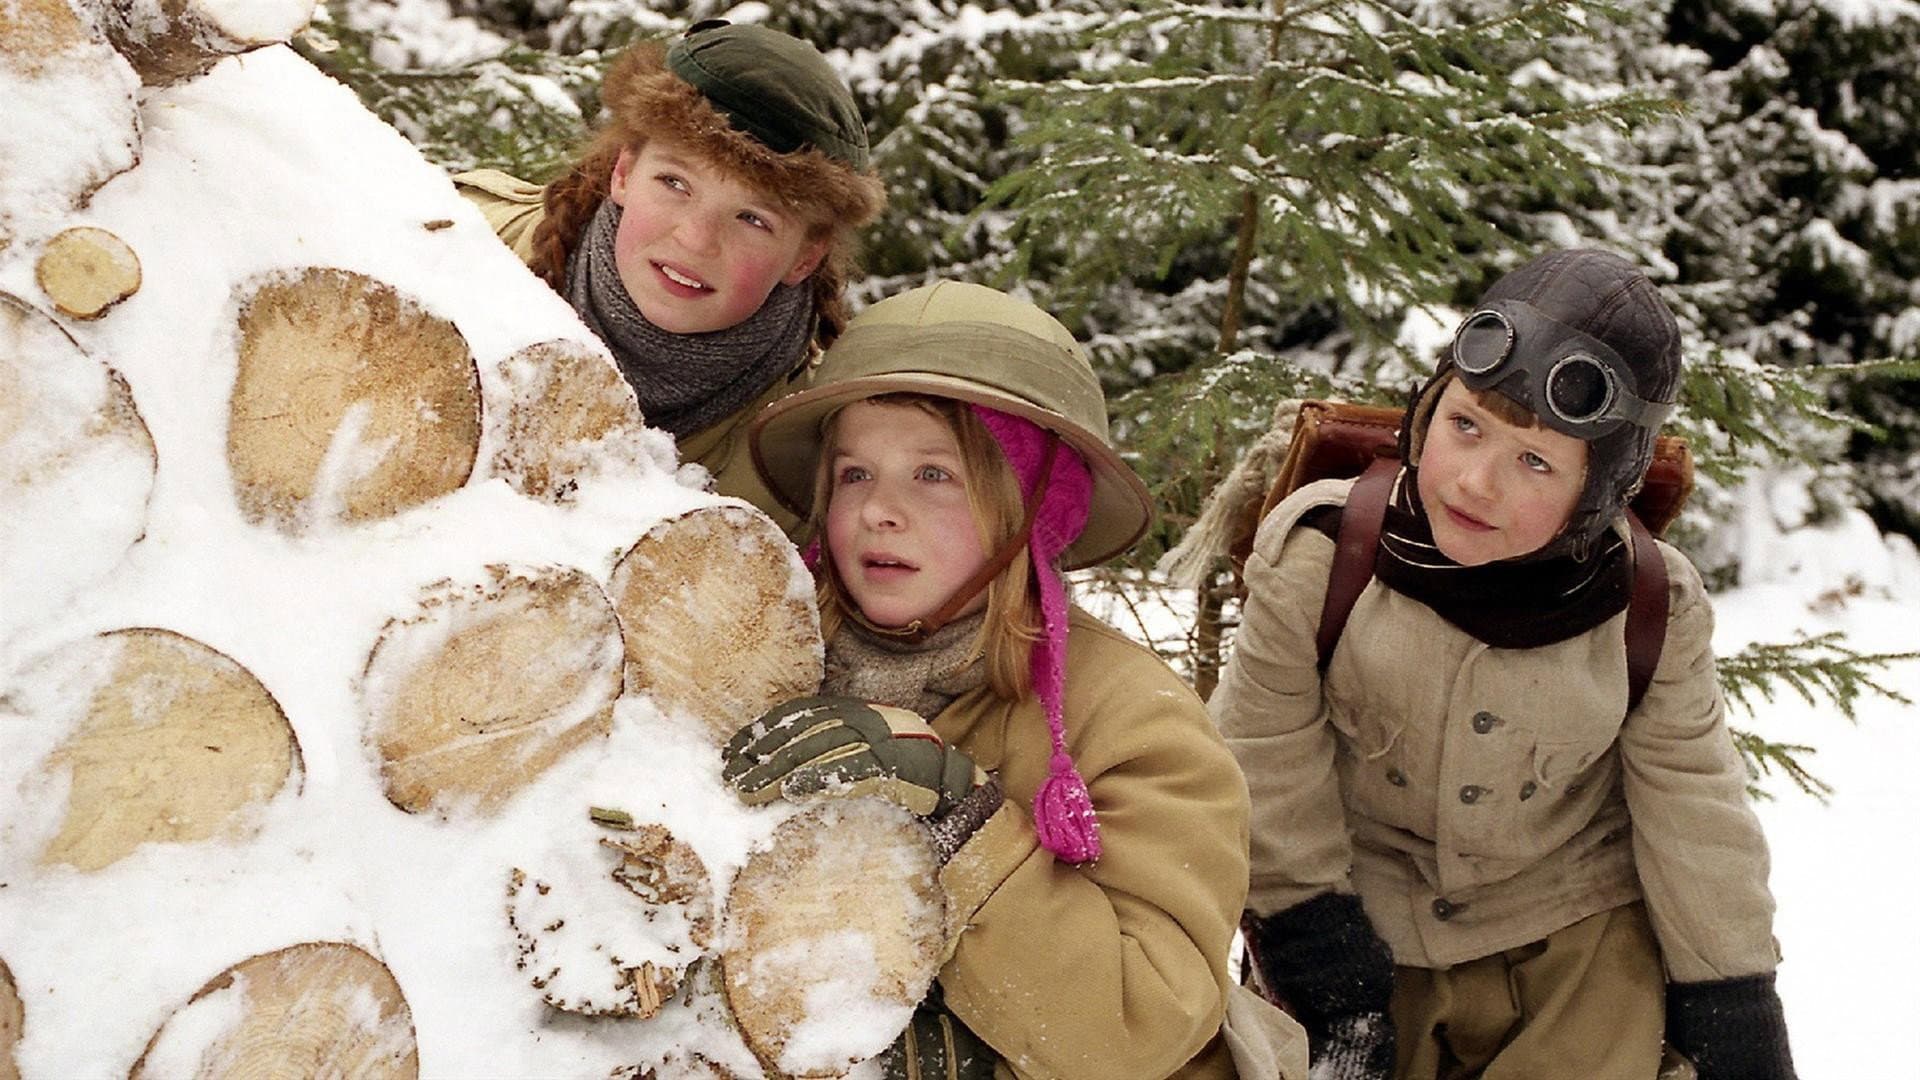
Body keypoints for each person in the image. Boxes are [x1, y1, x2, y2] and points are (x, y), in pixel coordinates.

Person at [1211, 249, 1796, 1080]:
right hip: (1369, 922)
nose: (1477, 482)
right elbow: (1262, 758)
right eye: (1466, 426)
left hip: (1574, 933)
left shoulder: (1655, 605)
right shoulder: (1321, 555)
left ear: (1597, 492)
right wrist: (1316, 950)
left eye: (1537, 462)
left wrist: (1735, 997)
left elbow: (1693, 803)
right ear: (1427, 411)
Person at [724, 280, 1302, 1078]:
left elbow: (1139, 1027)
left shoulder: (1137, 721)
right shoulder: (757, 656)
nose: (880, 511)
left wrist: (961, 821)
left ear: (1034, 508)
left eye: (935, 475)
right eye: (855, 474)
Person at [454, 20, 883, 530]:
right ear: (624, 172)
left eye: (753, 219)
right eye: (675, 182)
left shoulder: (795, 465)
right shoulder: (452, 244)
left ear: (805, 258)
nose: (696, 239)